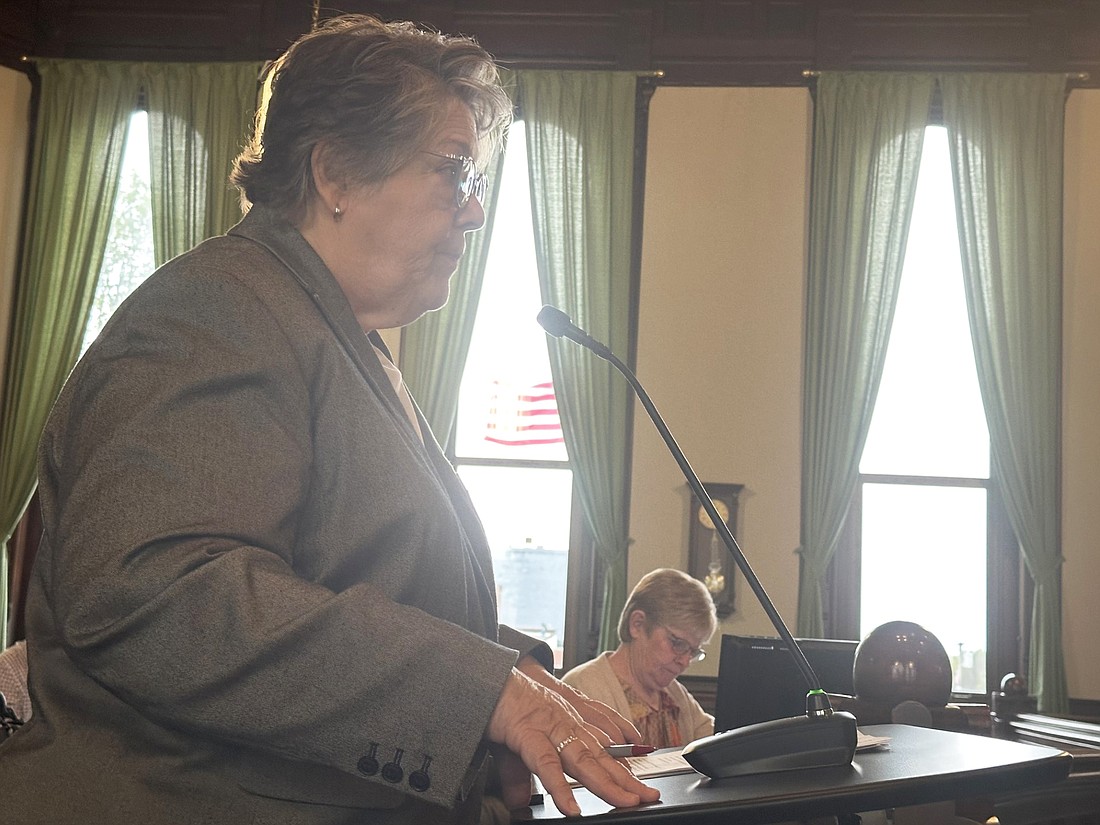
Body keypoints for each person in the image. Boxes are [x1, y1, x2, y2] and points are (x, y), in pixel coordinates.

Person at [0, 15, 660, 824]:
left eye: (477, 180)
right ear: (336, 172)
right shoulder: (216, 309)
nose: (474, 211)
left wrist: (509, 676)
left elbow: (355, 571)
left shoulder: (340, 338)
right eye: (454, 171)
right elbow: (159, 596)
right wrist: (471, 687)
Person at [563, 568, 718, 748]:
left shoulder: (675, 695)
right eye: (678, 643)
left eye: (692, 651)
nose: (684, 662)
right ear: (637, 624)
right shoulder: (582, 687)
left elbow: (715, 740)